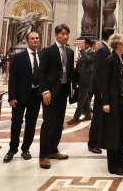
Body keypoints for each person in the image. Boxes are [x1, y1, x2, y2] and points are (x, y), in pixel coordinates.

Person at [38, 24, 76, 169]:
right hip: (50, 92)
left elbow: (70, 72)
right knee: (48, 122)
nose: (65, 36)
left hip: (63, 91)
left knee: (59, 122)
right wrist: (45, 91)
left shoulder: (70, 52)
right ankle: (43, 155)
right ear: (56, 35)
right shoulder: (48, 51)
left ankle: (53, 150)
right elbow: (42, 72)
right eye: (62, 34)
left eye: (67, 34)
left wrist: (73, 87)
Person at [4, 31, 42, 163]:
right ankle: (12, 149)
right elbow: (12, 78)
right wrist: (11, 97)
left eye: (37, 38)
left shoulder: (42, 56)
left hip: (35, 95)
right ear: (27, 41)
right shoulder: (19, 57)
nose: (35, 40)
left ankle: (26, 148)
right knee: (16, 123)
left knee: (31, 123)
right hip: (19, 96)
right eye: (32, 38)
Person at [100, 33, 123, 176]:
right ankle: (113, 166)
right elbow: (105, 83)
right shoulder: (110, 60)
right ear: (118, 45)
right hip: (113, 102)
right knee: (113, 134)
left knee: (122, 135)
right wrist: (106, 102)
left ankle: (121, 162)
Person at [88, 27, 113, 154]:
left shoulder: (105, 48)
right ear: (110, 36)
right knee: (98, 116)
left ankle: (99, 141)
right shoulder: (101, 49)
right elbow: (99, 72)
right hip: (100, 89)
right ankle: (93, 143)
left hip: (103, 88)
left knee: (102, 116)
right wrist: (103, 89)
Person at [68, 37, 95, 125]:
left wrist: (82, 50)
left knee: (81, 98)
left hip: (87, 79)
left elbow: (86, 60)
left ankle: (76, 117)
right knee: (85, 97)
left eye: (83, 43)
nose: (81, 44)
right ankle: (87, 115)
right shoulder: (83, 52)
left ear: (87, 45)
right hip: (81, 78)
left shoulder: (92, 53)